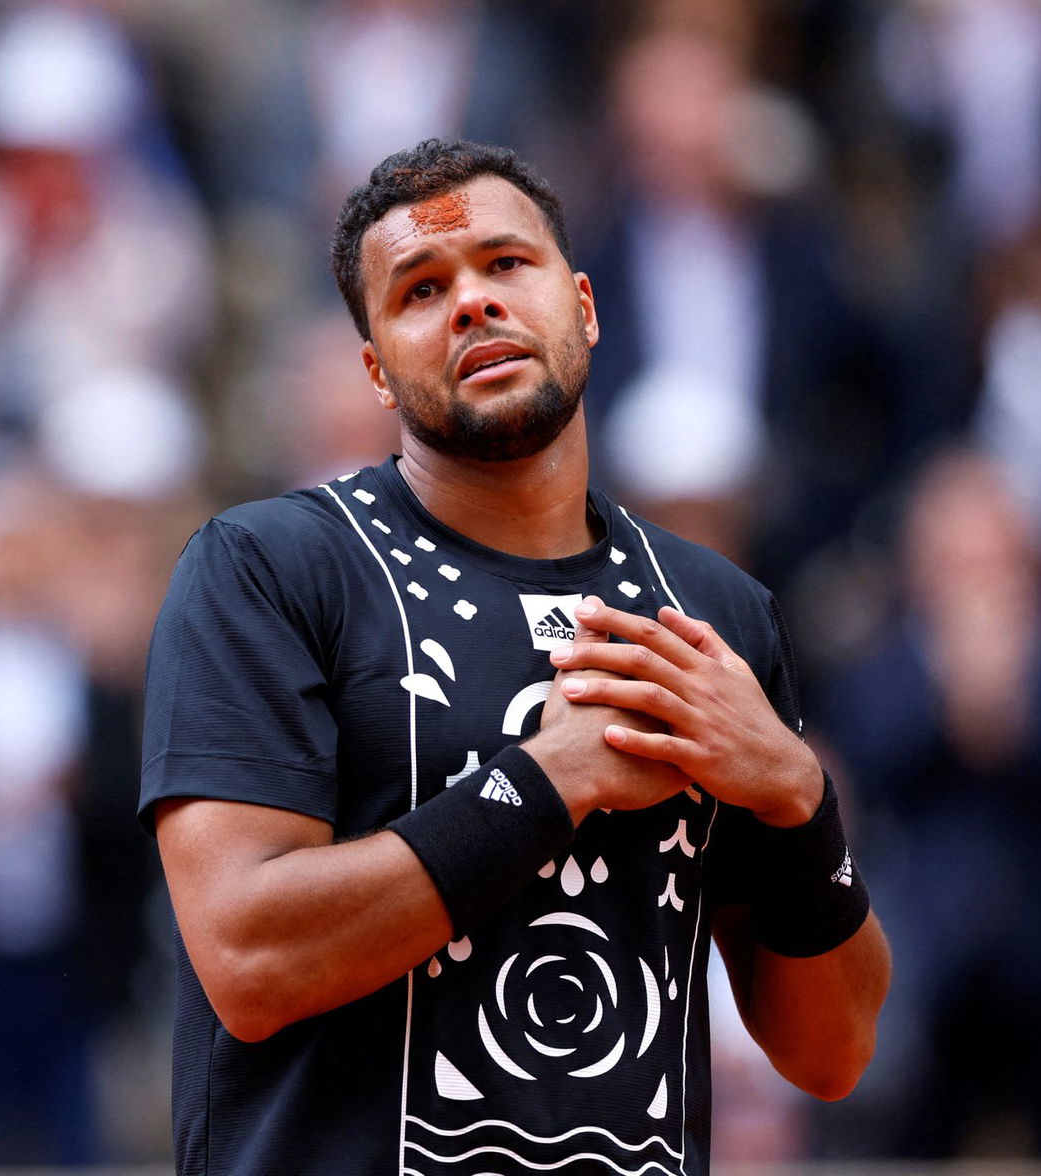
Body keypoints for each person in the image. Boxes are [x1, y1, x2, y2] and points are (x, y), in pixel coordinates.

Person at [139, 138, 890, 1175]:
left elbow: (832, 1051)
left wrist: (799, 801)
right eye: (420, 289)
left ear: (582, 305)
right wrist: (551, 779)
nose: (473, 303)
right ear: (376, 374)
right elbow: (249, 957)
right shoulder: (271, 569)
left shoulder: (713, 612)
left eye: (506, 265)